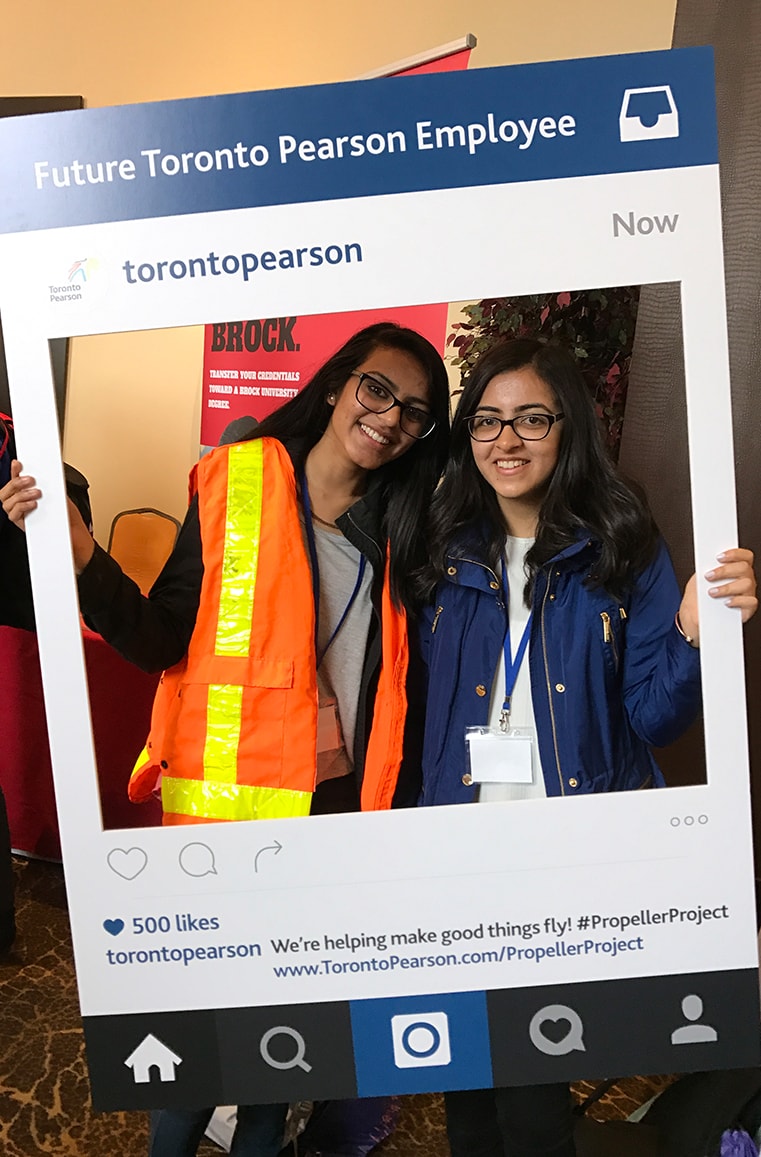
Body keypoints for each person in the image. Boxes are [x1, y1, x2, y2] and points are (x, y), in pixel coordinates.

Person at [1, 322, 450, 1157]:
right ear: (335, 383)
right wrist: (83, 557)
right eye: (377, 389)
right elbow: (162, 638)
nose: (390, 418)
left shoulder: (407, 523)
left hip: (336, 814)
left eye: (416, 412)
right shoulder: (237, 478)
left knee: (285, 1051)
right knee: (198, 1048)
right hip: (224, 826)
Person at [414, 338, 757, 1157]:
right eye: (487, 421)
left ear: (568, 427)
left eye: (531, 418)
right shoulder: (440, 545)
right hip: (457, 848)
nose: (506, 440)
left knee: (533, 1086)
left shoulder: (622, 547)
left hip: (570, 857)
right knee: (466, 1084)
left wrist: (691, 633)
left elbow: (653, 718)